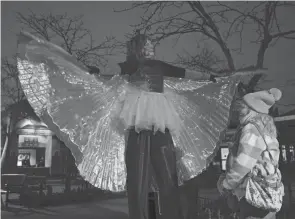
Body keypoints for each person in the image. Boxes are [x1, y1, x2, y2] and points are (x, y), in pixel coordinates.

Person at [17, 30, 261, 219]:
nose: (151, 49)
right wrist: (83, 72)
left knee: (167, 178)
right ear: (137, 49)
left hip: (161, 125)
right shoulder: (128, 68)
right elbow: (105, 81)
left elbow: (190, 74)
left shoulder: (160, 67)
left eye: (152, 46)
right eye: (147, 45)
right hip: (135, 127)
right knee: (138, 179)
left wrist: (222, 76)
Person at [217, 88, 284, 219]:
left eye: (242, 108)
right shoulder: (267, 129)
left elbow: (243, 164)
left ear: (252, 109)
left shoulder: (252, 129)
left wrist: (226, 184)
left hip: (253, 196)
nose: (238, 113)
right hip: (268, 194)